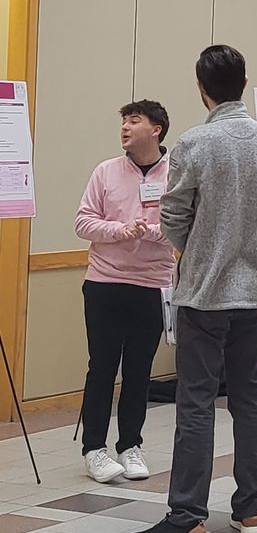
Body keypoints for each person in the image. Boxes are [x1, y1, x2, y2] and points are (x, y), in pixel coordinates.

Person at [126, 45, 257, 533]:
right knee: (250, 401)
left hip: (205, 293)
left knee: (195, 404)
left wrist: (192, 250)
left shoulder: (195, 142)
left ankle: (188, 516)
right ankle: (251, 507)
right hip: (256, 292)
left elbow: (172, 213)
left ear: (201, 87)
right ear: (243, 82)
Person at [74, 99, 175, 483]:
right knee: (101, 367)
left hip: (152, 285)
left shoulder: (176, 174)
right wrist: (119, 230)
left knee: (138, 370)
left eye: (134, 121)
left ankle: (130, 445)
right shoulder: (105, 171)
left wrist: (150, 232)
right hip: (104, 282)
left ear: (156, 130)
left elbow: (183, 225)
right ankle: (94, 449)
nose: (125, 128)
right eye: (123, 122)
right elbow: (83, 221)